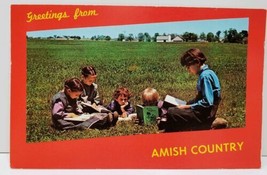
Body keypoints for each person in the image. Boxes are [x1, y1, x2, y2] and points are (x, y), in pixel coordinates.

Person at [165, 48, 221, 132]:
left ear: (198, 63)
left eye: (189, 66)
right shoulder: (208, 72)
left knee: (171, 112)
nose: (188, 70)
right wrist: (188, 103)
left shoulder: (205, 76)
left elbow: (208, 102)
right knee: (173, 108)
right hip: (204, 112)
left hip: (204, 115)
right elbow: (202, 97)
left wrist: (187, 106)